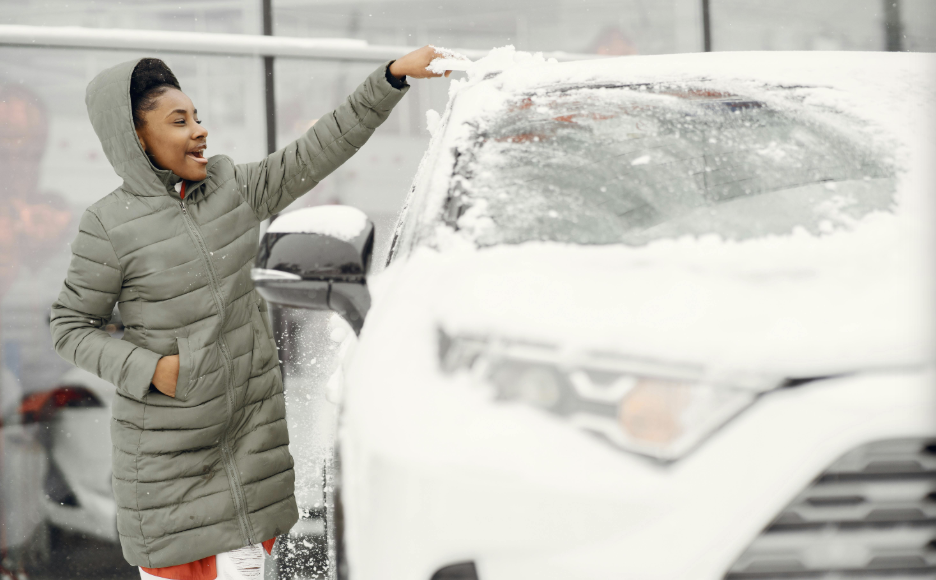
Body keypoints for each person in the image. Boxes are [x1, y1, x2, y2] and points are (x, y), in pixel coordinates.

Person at [48, 47, 451, 580]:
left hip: (248, 445)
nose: (200, 131)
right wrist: (154, 371)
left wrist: (391, 78)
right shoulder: (108, 225)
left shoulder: (231, 189)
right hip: (168, 462)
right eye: (179, 121)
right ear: (136, 138)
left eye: (197, 117)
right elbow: (69, 326)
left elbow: (317, 150)